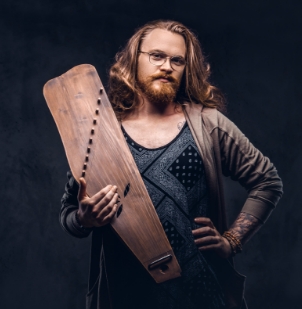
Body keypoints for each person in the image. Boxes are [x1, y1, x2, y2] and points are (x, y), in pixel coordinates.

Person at [60, 20, 283, 309]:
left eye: (177, 60)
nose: (167, 66)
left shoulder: (207, 124)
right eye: (157, 56)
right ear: (133, 60)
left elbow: (267, 180)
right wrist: (84, 218)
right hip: (125, 294)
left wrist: (232, 240)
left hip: (203, 293)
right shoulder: (101, 133)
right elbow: (68, 214)